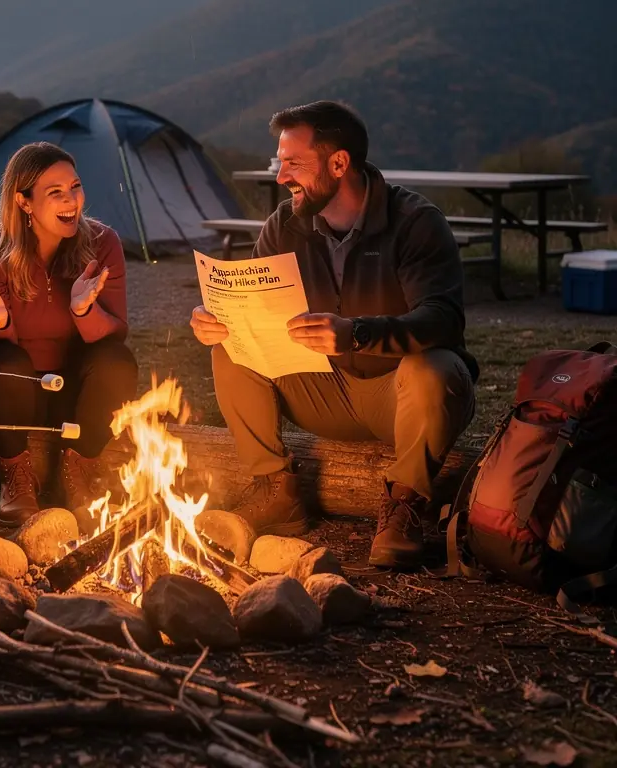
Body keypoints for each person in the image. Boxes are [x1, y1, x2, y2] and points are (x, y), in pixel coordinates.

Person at [190, 101, 478, 569]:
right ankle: (276, 491)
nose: (281, 177)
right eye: (278, 162)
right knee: (229, 345)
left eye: (294, 163)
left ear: (339, 163)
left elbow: (442, 319)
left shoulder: (416, 223)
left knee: (437, 367)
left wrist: (357, 334)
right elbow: (256, 309)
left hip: (399, 394)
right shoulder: (284, 226)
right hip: (321, 389)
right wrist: (218, 317)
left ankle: (404, 504)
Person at [0, 142, 138, 526]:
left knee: (118, 362)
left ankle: (78, 472)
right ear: (24, 201)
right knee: (4, 362)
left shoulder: (103, 243)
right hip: (10, 394)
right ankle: (15, 475)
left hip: (73, 392)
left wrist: (84, 310)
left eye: (75, 187)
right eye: (55, 193)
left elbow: (117, 332)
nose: (72, 200)